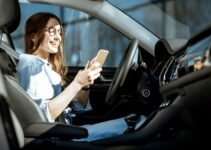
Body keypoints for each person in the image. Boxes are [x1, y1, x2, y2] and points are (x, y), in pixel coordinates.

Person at [16, 12, 145, 142]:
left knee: (135, 121)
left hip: (68, 129)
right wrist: (76, 83)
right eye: (51, 31)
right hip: (59, 137)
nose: (58, 38)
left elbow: (78, 108)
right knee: (139, 122)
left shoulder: (47, 68)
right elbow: (40, 118)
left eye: (60, 32)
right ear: (33, 36)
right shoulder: (32, 66)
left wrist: (85, 85)